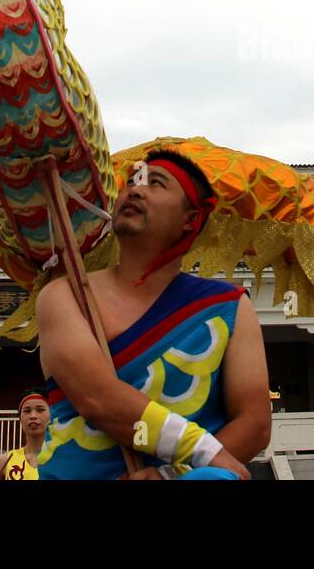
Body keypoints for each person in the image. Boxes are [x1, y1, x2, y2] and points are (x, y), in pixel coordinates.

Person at [36, 151, 271, 479]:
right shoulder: (64, 295)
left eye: (155, 183)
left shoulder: (229, 306)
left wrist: (170, 474)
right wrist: (204, 450)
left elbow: (254, 423)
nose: (134, 190)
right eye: (131, 182)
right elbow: (97, 399)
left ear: (190, 218)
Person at [0, 390, 49, 480]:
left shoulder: (63, 459)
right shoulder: (5, 461)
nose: (33, 416)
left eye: (40, 410)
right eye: (27, 411)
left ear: (52, 415)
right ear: (20, 418)